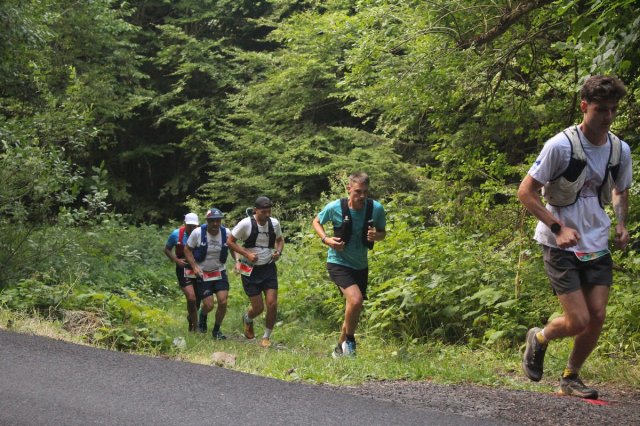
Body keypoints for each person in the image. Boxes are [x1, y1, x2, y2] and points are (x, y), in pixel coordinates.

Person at [518, 75, 632, 399]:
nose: (608, 116)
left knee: (597, 316)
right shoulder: (561, 146)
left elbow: (620, 189)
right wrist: (558, 228)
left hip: (596, 240)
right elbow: (526, 192)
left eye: (612, 109)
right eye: (600, 109)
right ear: (584, 106)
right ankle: (539, 338)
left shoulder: (619, 149)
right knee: (579, 319)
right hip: (559, 243)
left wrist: (621, 224)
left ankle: (570, 377)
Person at [312, 172, 386, 357]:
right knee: (356, 300)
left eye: (365, 192)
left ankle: (339, 349)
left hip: (360, 265)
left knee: (352, 308)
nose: (362, 196)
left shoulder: (376, 208)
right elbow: (316, 221)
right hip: (338, 262)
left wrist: (376, 236)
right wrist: (326, 239)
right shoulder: (335, 207)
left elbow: (382, 232)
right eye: (358, 191)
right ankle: (351, 343)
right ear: (349, 189)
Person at [227, 196, 285, 348]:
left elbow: (280, 240)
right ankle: (248, 317)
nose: (267, 215)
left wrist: (278, 252)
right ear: (255, 211)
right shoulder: (245, 224)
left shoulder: (274, 223)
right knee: (258, 308)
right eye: (263, 212)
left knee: (272, 303)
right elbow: (230, 242)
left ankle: (266, 337)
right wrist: (246, 254)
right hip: (249, 269)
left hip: (268, 267)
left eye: (269, 211)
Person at [183, 208, 235, 340]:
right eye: (212, 221)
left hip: (219, 271)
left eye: (218, 220)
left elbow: (233, 247)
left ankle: (216, 330)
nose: (215, 224)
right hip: (203, 273)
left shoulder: (226, 232)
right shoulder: (197, 233)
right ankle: (203, 315)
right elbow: (187, 250)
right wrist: (194, 266)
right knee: (209, 305)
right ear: (207, 221)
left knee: (223, 301)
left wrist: (238, 261)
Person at [164, 212, 200, 332]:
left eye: (194, 226)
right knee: (191, 297)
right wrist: (176, 260)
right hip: (183, 268)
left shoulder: (201, 234)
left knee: (198, 298)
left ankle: (191, 318)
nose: (192, 228)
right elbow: (167, 249)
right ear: (184, 223)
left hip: (198, 267)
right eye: (189, 225)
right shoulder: (176, 234)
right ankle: (196, 327)